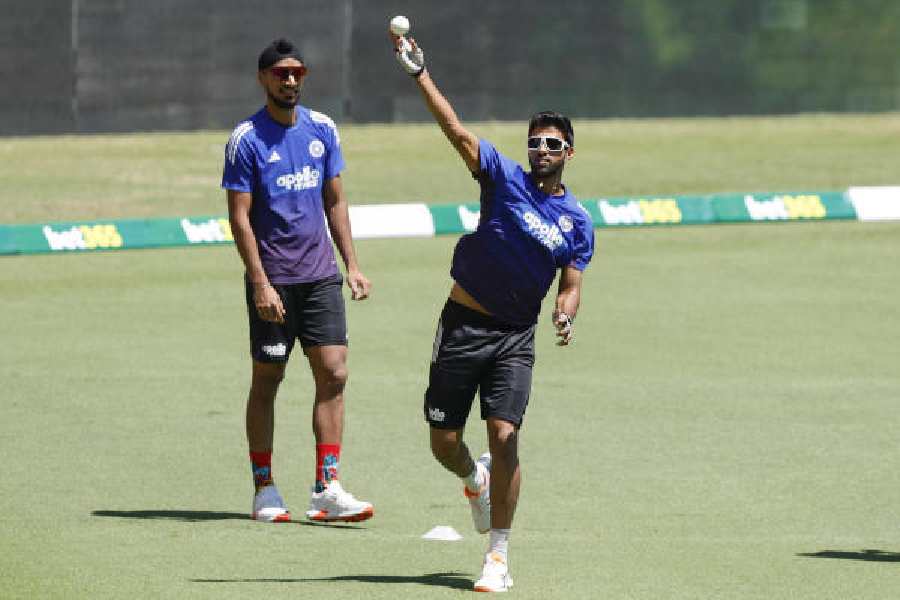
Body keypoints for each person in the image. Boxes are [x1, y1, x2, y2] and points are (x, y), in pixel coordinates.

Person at [391, 32, 595, 593]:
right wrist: (419, 74)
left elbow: (572, 282)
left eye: (553, 143)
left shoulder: (577, 221)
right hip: (463, 326)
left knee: (506, 435)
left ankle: (498, 557)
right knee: (443, 443)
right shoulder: (504, 180)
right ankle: (473, 479)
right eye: (536, 142)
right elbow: (454, 131)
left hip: (514, 339)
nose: (543, 150)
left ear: (569, 152)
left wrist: (565, 311)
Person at [221, 38, 373, 524]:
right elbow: (240, 219)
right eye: (281, 74)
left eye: (298, 73)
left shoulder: (323, 129)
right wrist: (260, 283)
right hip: (273, 281)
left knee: (334, 372)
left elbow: (336, 202)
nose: (290, 81)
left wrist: (351, 264)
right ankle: (263, 487)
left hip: (320, 276)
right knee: (268, 378)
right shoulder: (246, 139)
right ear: (263, 78)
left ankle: (326, 487)